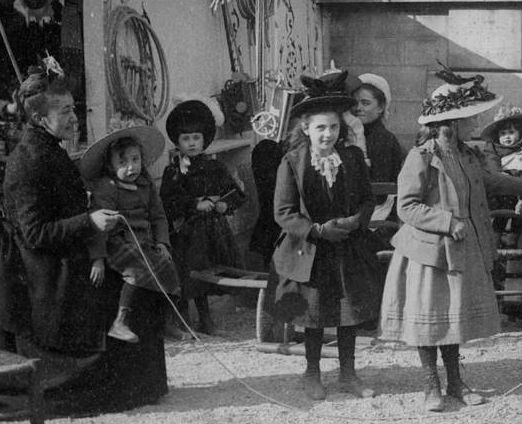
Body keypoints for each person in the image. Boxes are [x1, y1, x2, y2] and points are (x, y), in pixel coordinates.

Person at [0, 66, 169, 412]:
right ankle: (130, 386)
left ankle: (144, 384)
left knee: (142, 264)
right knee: (128, 280)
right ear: (41, 118)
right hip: (41, 271)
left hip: (62, 251)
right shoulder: (27, 161)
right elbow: (36, 234)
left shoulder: (48, 148)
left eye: (74, 107)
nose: (75, 117)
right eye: (66, 111)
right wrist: (89, 221)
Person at [380, 68, 522, 412]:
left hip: (459, 250)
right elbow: (407, 207)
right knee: (429, 322)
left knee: (451, 320)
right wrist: (446, 221)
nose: (476, 123)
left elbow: (491, 181)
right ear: (450, 123)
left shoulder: (467, 154)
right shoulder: (421, 157)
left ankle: (455, 384)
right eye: (470, 118)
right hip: (428, 253)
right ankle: (431, 387)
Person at [269, 70, 383, 400]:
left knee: (348, 310)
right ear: (306, 127)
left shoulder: (351, 158)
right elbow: (284, 213)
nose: (328, 134)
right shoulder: (292, 162)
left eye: (334, 127)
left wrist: (354, 222)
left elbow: (366, 198)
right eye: (321, 127)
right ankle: (312, 373)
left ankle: (348, 373)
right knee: (315, 313)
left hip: (347, 246)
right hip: (311, 249)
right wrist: (317, 230)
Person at [81, 126, 186, 344]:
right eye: (123, 163)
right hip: (117, 242)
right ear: (110, 166)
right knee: (138, 269)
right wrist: (97, 260)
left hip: (144, 241)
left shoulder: (145, 185)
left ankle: (166, 321)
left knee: (168, 266)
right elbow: (98, 227)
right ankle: (120, 321)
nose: (131, 167)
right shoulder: (106, 188)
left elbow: (158, 217)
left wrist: (163, 243)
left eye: (135, 159)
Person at [160, 97, 243, 336]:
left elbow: (237, 194)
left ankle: (206, 319)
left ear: (204, 140)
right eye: (186, 139)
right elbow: (168, 201)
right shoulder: (174, 171)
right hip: (187, 232)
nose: (192, 144)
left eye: (196, 138)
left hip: (213, 232)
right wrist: (195, 204)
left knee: (208, 274)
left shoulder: (215, 168)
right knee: (188, 275)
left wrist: (222, 204)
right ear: (178, 142)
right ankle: (184, 320)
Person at [350, 72, 404, 222]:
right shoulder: (357, 134)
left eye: (365, 103)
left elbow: (380, 192)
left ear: (381, 107)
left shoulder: (383, 139)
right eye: (355, 103)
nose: (358, 108)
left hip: (378, 214)